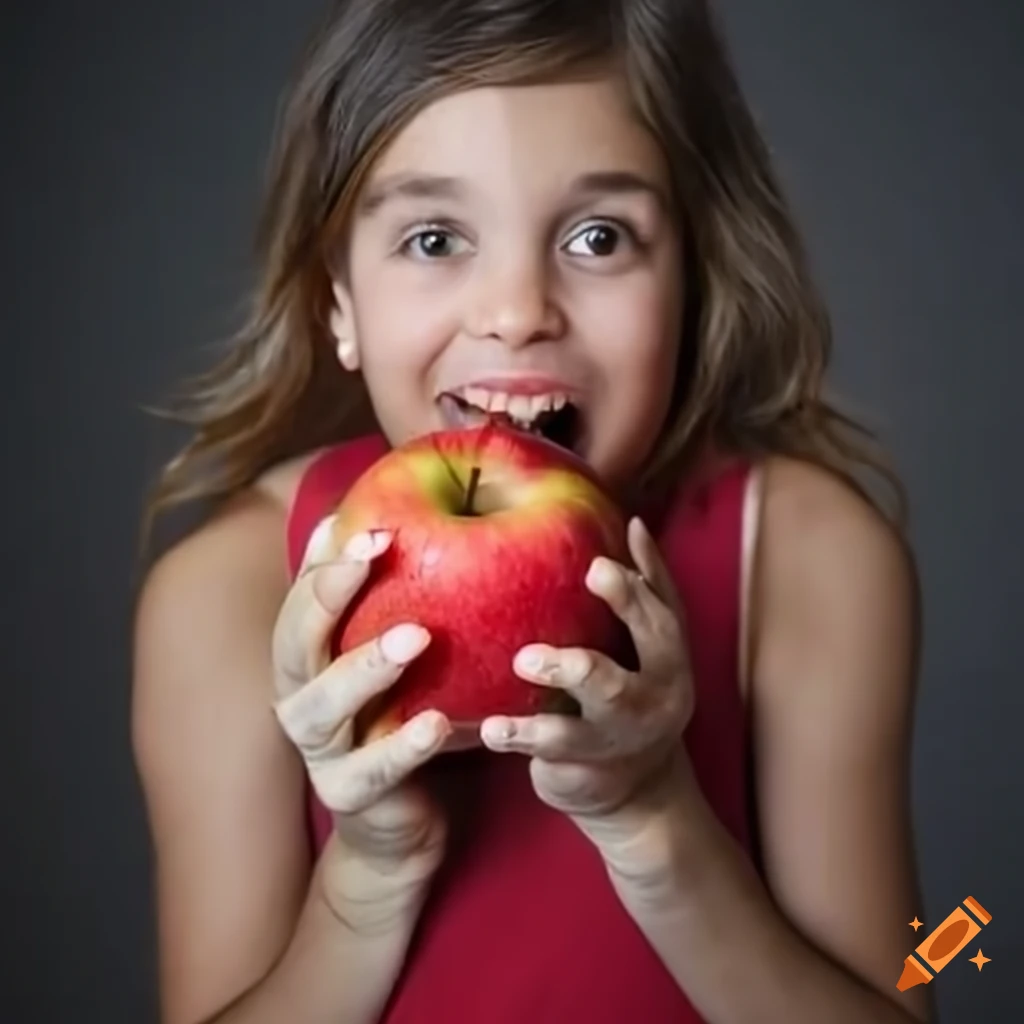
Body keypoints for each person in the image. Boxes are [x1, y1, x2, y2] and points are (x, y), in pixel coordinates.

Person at [131, 1, 931, 1022]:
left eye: (599, 236)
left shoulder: (810, 560)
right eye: (433, 237)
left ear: (691, 274)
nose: (516, 309)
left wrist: (653, 820)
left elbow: (939, 962)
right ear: (338, 296)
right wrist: (368, 874)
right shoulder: (225, 595)